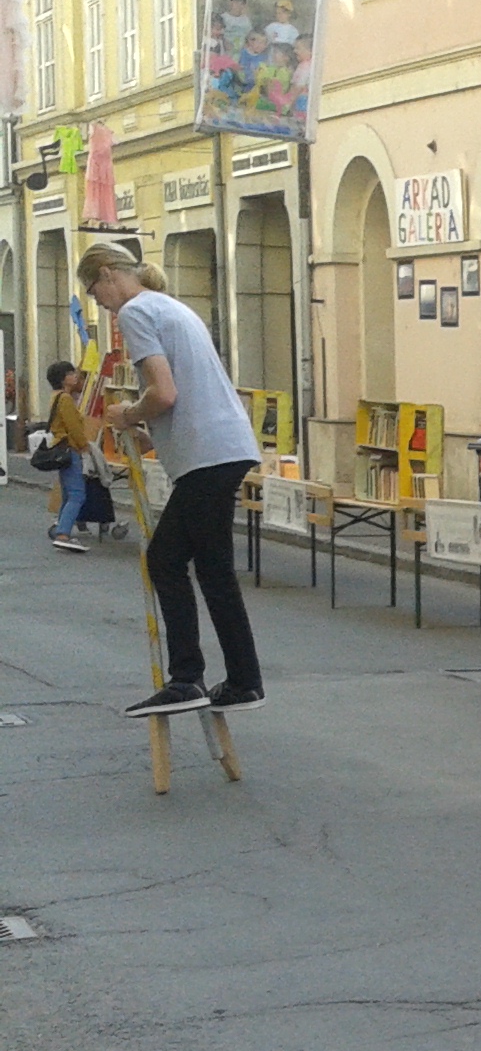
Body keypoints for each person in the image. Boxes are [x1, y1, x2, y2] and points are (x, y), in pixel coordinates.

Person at [83, 245, 266, 717]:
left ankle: (188, 679)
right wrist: (155, 433)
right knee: (212, 570)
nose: (99, 302)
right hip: (224, 445)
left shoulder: (135, 312)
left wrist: (128, 413)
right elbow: (185, 393)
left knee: (166, 560)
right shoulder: (169, 306)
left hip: (208, 454)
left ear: (107, 274)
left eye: (95, 291)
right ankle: (243, 681)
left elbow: (163, 392)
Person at [42, 359, 93, 554]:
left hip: (61, 448)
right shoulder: (65, 399)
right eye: (71, 374)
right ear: (63, 379)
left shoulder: (56, 397)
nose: (75, 376)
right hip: (70, 449)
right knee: (77, 494)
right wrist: (84, 446)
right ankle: (63, 534)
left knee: (67, 493)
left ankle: (61, 528)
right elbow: (74, 427)